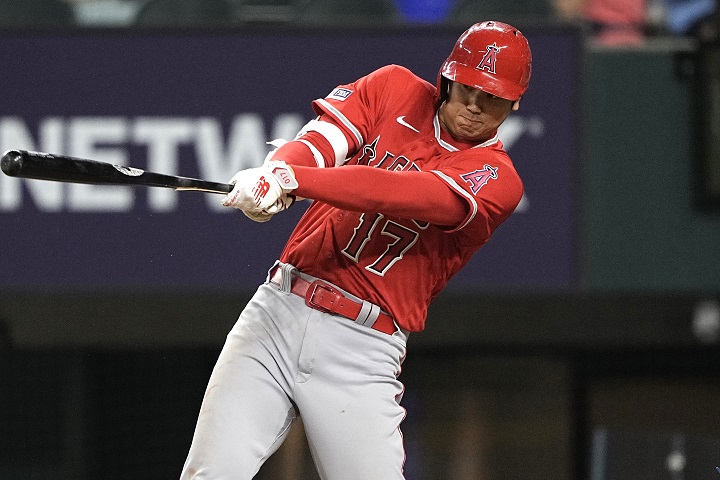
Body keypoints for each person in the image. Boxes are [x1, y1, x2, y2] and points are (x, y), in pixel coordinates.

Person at [181, 20, 531, 480]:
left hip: (361, 347)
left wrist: (293, 180)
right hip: (276, 312)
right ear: (447, 78)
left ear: (515, 102)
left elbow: (394, 192)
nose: (475, 105)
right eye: (467, 88)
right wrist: (274, 172)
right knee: (209, 474)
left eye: (493, 97)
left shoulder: (498, 178)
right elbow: (320, 142)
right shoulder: (394, 87)